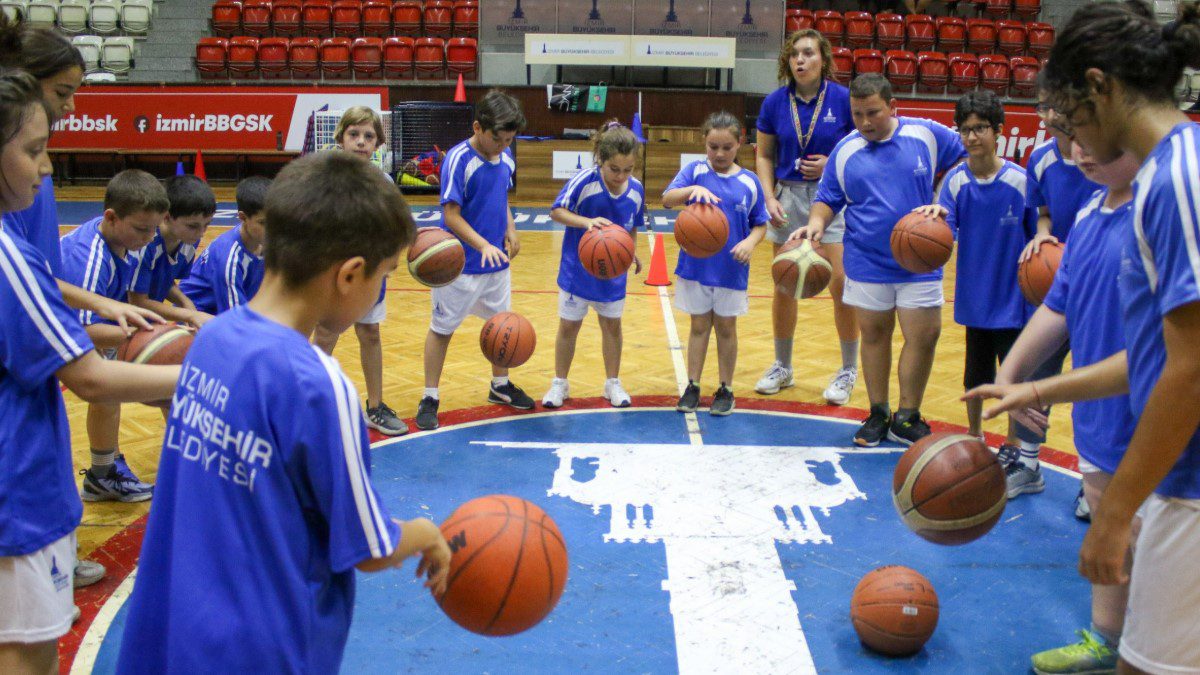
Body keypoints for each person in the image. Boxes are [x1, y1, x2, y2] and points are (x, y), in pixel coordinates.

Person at [115, 151, 451, 674]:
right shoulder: (319, 385)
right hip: (262, 650)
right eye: (384, 275)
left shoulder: (207, 340)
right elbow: (369, 546)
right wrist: (426, 533)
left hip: (170, 631)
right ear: (350, 274)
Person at [966, 2, 1200, 672]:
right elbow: (1159, 355)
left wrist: (1116, 513)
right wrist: (1037, 387)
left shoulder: (1179, 178)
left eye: (1069, 118)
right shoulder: (1161, 175)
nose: (1069, 142)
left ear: (1099, 87)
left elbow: (1190, 369)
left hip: (1188, 480)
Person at [0, 67, 179, 675]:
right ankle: (103, 469)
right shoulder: (10, 255)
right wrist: (209, 374)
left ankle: (104, 469)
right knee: (29, 657)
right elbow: (89, 377)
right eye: (34, 150)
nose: (47, 167)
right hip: (17, 493)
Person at [999, 144, 1142, 675]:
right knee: (1109, 522)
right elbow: (1058, 304)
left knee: (1156, 541)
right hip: (1100, 412)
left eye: (1088, 130)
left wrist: (1041, 391)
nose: (1079, 148)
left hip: (1161, 414)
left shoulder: (1167, 208)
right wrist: (1011, 374)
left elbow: (1163, 349)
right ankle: (1107, 639)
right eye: (1071, 133)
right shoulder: (1088, 212)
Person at [791, 73, 966, 447]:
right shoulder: (845, 151)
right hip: (866, 260)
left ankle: (908, 416)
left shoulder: (926, 134)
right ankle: (878, 412)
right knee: (874, 335)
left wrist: (943, 198)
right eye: (857, 114)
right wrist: (815, 225)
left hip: (920, 261)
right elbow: (827, 198)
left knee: (924, 336)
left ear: (893, 107)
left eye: (873, 113)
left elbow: (965, 156)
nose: (865, 122)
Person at [0, 17, 162, 335]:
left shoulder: (35, 174)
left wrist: (101, 304)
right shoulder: (14, 180)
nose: (71, 106)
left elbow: (40, 276)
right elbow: (21, 279)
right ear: (21, 84)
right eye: (62, 92)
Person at [1003, 77, 1104, 502]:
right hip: (1054, 278)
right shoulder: (1040, 157)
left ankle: (1092, 479)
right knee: (1034, 371)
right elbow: (1043, 213)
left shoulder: (1104, 157)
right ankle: (1027, 463)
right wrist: (1042, 236)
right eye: (1043, 107)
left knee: (1094, 381)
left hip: (1097, 280)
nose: (1049, 116)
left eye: (1056, 106)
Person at [924, 91, 1036, 452]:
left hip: (1014, 298)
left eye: (980, 128)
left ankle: (1014, 443)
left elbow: (1039, 236)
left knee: (1014, 376)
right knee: (974, 375)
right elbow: (943, 233)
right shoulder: (955, 182)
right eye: (965, 130)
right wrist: (929, 228)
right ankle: (975, 434)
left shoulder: (1020, 181)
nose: (972, 137)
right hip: (975, 297)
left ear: (998, 130)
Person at [754, 29, 858, 404]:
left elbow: (862, 148)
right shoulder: (774, 103)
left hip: (833, 197)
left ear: (823, 59)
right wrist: (768, 197)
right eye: (795, 53)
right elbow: (764, 155)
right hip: (788, 197)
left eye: (809, 53)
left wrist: (832, 164)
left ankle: (848, 370)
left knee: (840, 284)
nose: (800, 59)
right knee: (785, 283)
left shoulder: (844, 99)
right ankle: (783, 365)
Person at [416, 90, 529, 431]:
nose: (503, 146)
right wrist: (482, 245)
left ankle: (500, 386)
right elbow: (451, 215)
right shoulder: (458, 159)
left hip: (496, 264)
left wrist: (510, 229)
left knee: (501, 328)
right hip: (458, 266)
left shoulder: (505, 157)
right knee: (442, 330)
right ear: (478, 128)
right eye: (498, 139)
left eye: (509, 140)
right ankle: (430, 396)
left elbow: (501, 198)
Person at [59, 169, 168, 503]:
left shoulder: (128, 241)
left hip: (70, 323)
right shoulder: (90, 258)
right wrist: (146, 336)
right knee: (106, 388)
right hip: (37, 335)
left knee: (110, 392)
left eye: (154, 229)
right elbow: (79, 330)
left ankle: (103, 474)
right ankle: (100, 475)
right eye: (142, 229)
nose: (150, 237)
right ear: (111, 217)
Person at [665, 111, 769, 416]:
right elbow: (668, 198)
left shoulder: (749, 181)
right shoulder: (695, 171)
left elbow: (760, 224)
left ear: (740, 143)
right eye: (713, 147)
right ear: (704, 143)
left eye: (727, 147)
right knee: (698, 327)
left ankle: (726, 388)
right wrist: (690, 191)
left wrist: (750, 242)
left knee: (726, 328)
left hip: (731, 269)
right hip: (696, 267)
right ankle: (693, 385)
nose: (720, 153)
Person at [312, 106, 407, 436]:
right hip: (333, 274)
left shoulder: (384, 183)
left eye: (369, 136)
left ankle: (375, 406)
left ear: (378, 143)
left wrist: (390, 258)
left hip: (370, 274)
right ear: (340, 138)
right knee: (325, 335)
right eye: (354, 134)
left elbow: (393, 228)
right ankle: (309, 401)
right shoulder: (323, 180)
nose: (361, 142)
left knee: (370, 333)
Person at [542, 120, 644, 409]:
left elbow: (632, 226)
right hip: (577, 272)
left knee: (612, 326)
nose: (621, 176)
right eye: (614, 169)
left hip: (612, 275)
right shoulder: (585, 181)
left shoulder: (636, 189)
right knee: (568, 327)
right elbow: (557, 211)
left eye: (628, 170)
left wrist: (630, 251)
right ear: (600, 159)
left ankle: (612, 383)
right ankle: (560, 383)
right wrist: (586, 222)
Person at [127, 174, 215, 328]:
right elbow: (137, 302)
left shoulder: (189, 241)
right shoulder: (145, 244)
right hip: (117, 325)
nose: (201, 233)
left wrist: (185, 302)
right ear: (166, 217)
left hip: (145, 323)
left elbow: (164, 281)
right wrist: (189, 314)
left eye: (206, 225)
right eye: (193, 226)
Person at [178, 176, 269, 315]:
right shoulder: (229, 257)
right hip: (199, 315)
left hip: (230, 310)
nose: (272, 229)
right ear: (243, 217)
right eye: (263, 223)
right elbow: (234, 318)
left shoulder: (265, 243)